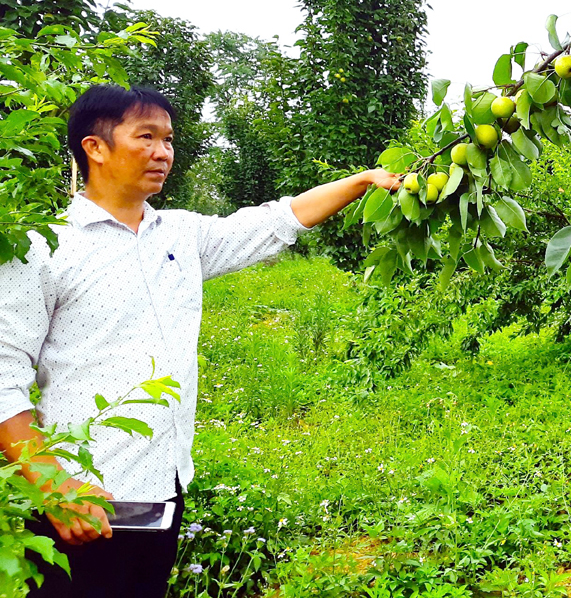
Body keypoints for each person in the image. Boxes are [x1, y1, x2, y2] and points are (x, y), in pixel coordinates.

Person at [0, 84, 404, 597]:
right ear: (94, 148)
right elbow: (3, 376)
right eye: (145, 137)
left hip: (165, 488)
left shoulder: (181, 236)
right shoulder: (42, 246)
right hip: (82, 501)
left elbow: (276, 220)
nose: (162, 152)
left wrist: (364, 180)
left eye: (168, 139)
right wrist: (52, 485)